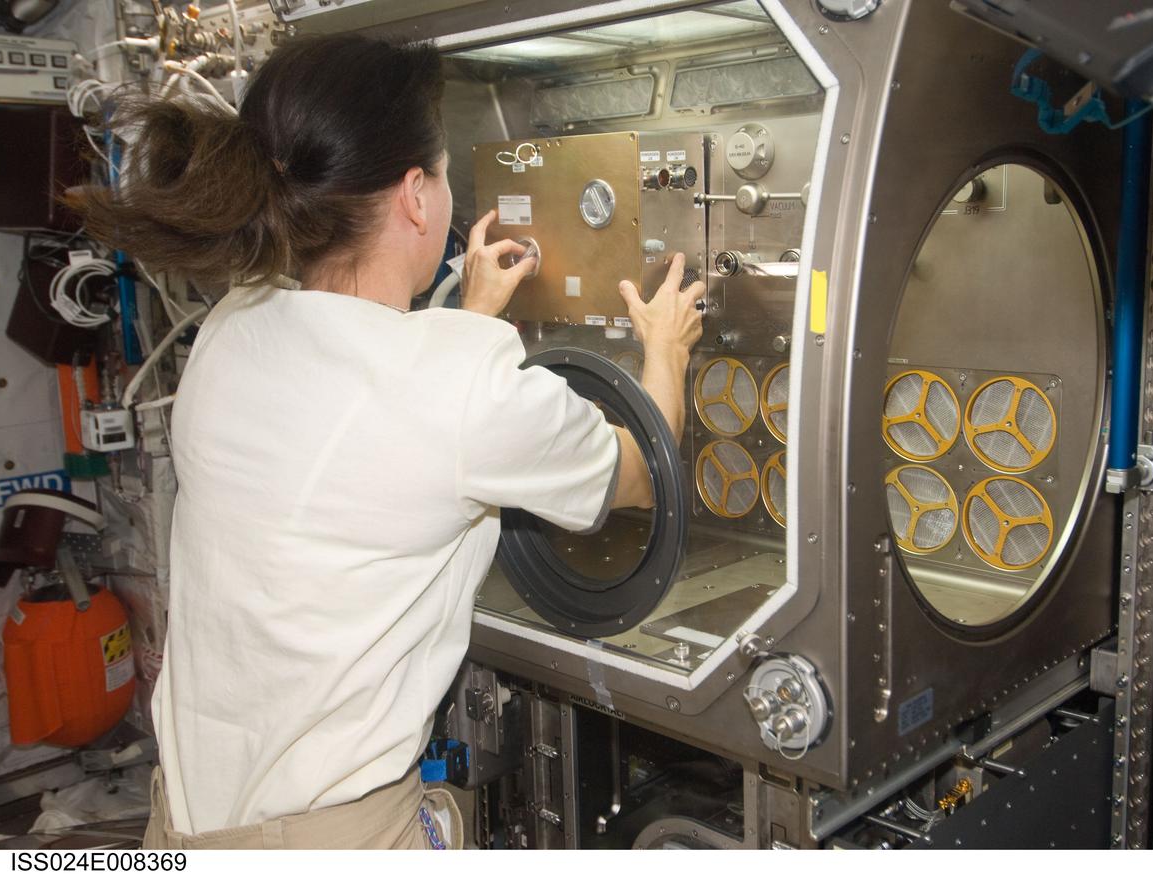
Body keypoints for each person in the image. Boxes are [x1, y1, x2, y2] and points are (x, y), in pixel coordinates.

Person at [68, 34, 704, 849]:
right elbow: (644, 477)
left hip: (188, 827)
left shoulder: (232, 327)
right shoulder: (458, 390)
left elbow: (374, 407)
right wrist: (666, 348)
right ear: (415, 196)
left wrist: (473, 317)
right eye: (441, 174)